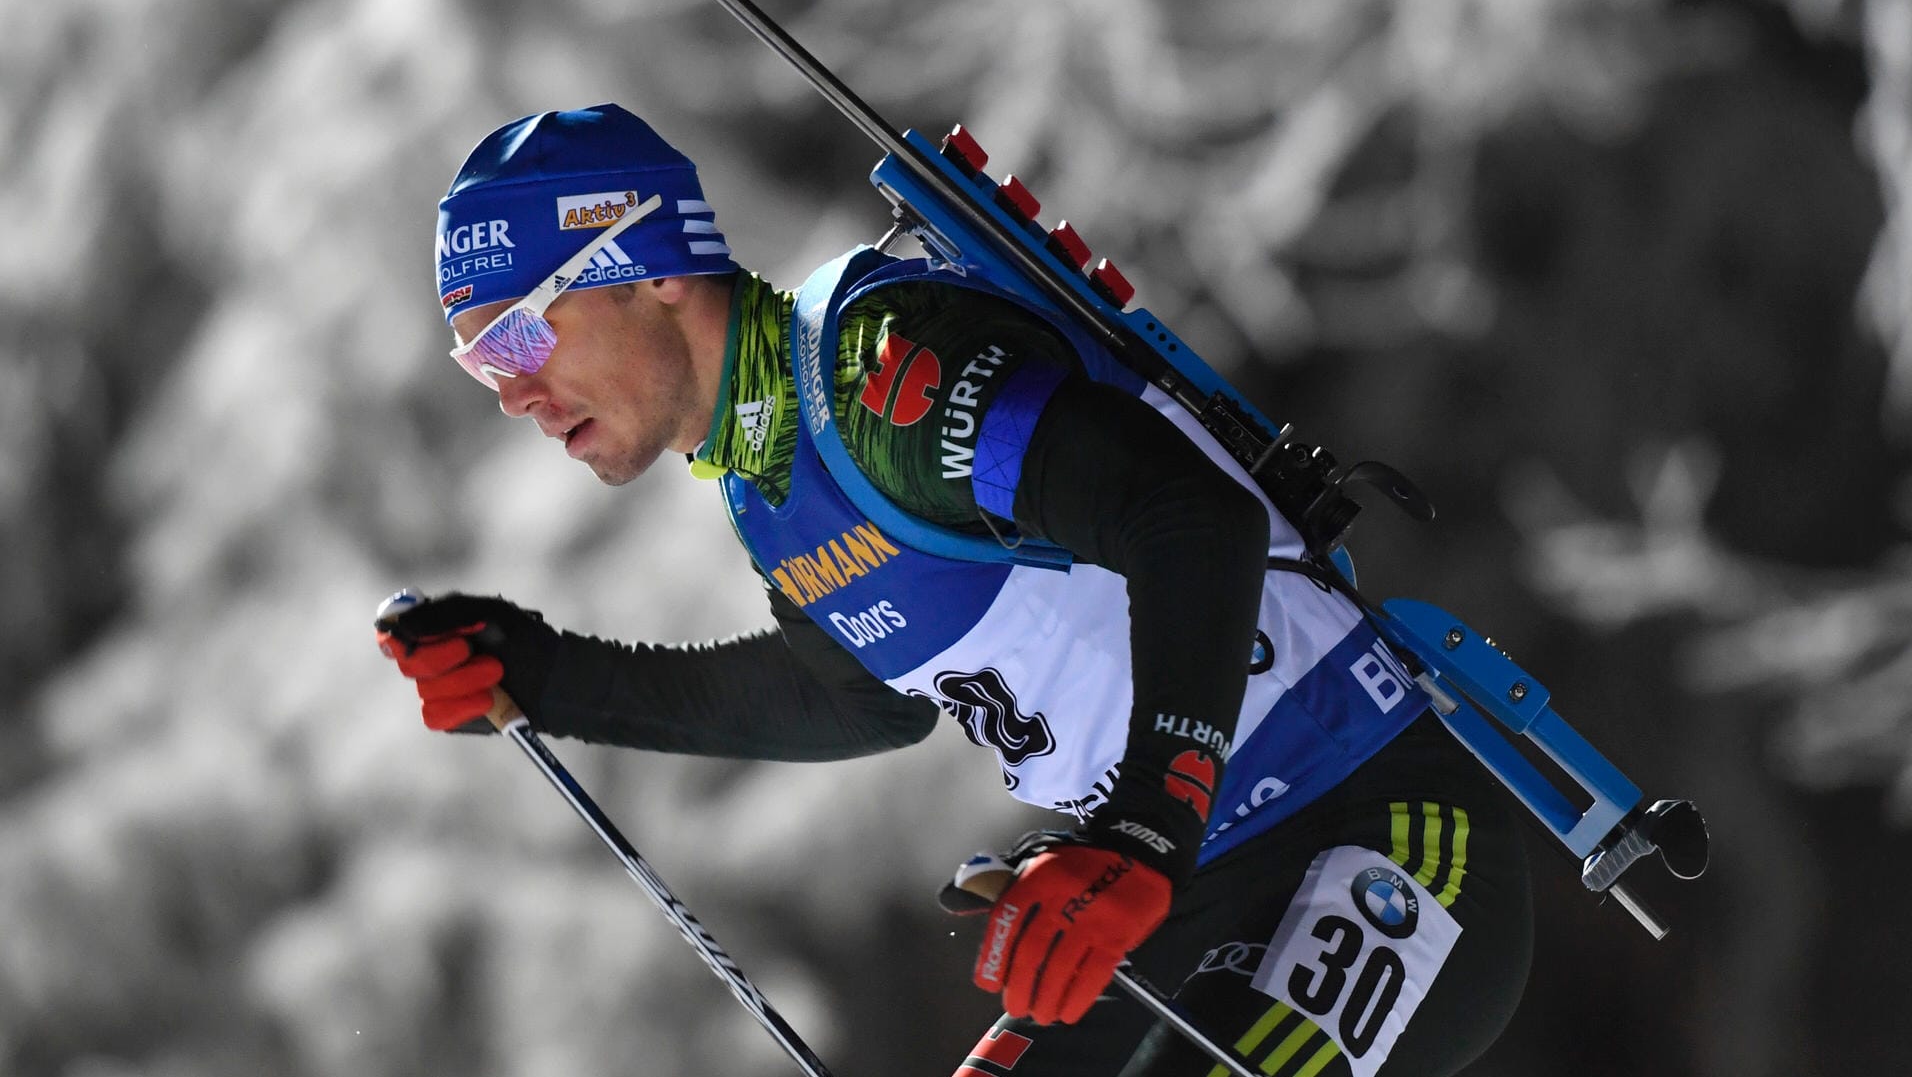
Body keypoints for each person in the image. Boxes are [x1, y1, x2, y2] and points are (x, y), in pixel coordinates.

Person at [380, 103, 1534, 1077]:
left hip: (1374, 822)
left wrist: (1137, 834)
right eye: (483, 361)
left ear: (657, 271)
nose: (513, 392)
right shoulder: (770, 477)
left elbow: (1190, 518)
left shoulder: (877, 375)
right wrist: (542, 674)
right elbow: (856, 698)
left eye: (525, 330)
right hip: (1187, 893)